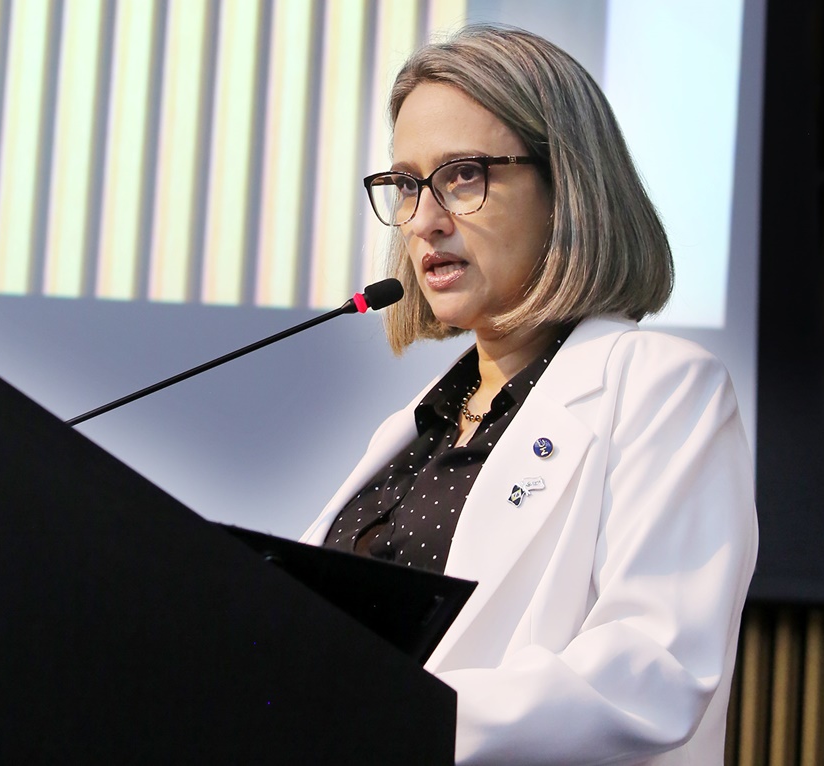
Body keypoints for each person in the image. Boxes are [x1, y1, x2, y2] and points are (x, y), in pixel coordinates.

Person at [300, 25, 757, 764]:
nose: (425, 221)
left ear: (566, 188)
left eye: (462, 176)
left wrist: (388, 717)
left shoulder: (663, 389)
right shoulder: (414, 428)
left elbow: (653, 673)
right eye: (408, 185)